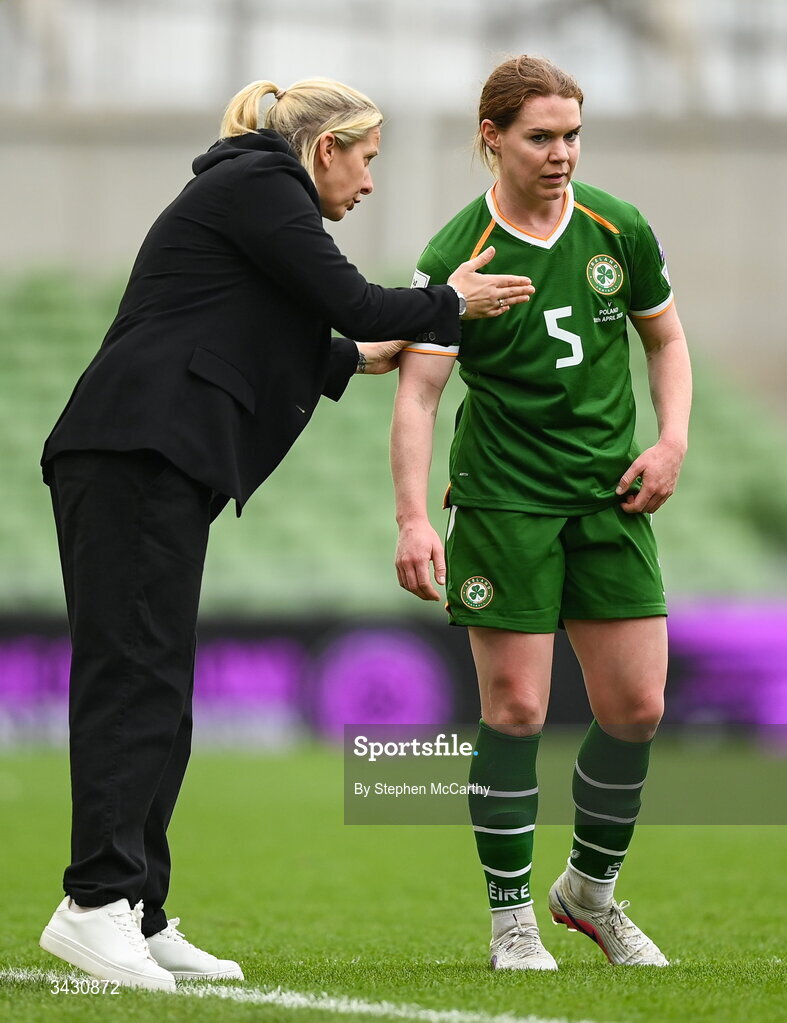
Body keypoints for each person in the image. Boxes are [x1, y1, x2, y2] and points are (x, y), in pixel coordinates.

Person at [38, 76, 536, 992]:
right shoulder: (262, 186)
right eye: (367, 159)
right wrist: (447, 301)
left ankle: (137, 910)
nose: (371, 182)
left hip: (152, 460)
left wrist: (387, 345)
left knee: (160, 688)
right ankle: (95, 904)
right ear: (323, 149)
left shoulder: (250, 202)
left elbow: (300, 335)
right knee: (132, 681)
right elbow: (350, 303)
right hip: (133, 454)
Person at [391, 55, 691, 971]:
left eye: (570, 135)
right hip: (505, 499)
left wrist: (670, 440)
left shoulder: (617, 226)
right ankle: (511, 917)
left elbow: (665, 338)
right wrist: (413, 517)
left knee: (635, 707)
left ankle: (588, 893)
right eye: (539, 137)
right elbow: (417, 397)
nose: (560, 153)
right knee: (516, 709)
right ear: (492, 139)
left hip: (609, 496)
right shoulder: (454, 255)